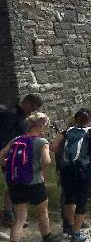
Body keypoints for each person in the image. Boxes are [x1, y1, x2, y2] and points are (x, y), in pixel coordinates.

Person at [0, 112, 63, 242]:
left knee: (20, 218)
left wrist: (7, 166)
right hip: (35, 183)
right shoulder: (42, 141)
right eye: (46, 125)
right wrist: (38, 169)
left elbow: (1, 155)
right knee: (43, 214)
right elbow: (47, 160)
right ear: (41, 125)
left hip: (16, 183)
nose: (47, 128)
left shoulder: (16, 140)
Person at [50, 109, 91, 242]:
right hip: (84, 169)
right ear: (89, 120)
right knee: (82, 200)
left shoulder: (66, 131)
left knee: (69, 198)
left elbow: (54, 146)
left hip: (67, 169)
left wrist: (65, 154)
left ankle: (70, 225)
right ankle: (76, 233)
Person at [0, 94, 42, 226]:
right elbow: (5, 136)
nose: (32, 111)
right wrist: (5, 157)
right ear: (27, 103)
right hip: (10, 156)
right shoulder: (11, 114)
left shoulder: (21, 116)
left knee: (17, 184)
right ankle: (8, 215)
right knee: (13, 185)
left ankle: (16, 215)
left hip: (18, 156)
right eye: (33, 108)